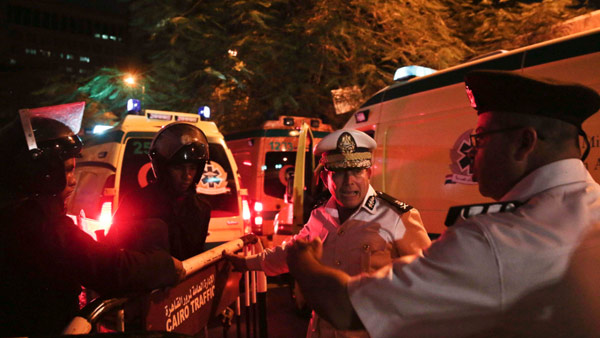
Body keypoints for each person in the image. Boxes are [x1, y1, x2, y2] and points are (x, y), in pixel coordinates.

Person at [285, 70, 600, 337]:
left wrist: (303, 263)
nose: (471, 155)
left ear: (524, 142)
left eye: (480, 139)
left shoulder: (494, 241)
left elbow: (345, 307)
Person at [0, 103, 186, 337]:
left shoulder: (18, 213)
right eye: (67, 170)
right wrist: (166, 265)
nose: (73, 181)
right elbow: (109, 268)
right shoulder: (38, 223)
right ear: (42, 174)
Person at [226, 128, 431, 337]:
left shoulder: (397, 217)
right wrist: (247, 263)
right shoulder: (320, 215)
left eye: (357, 171)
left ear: (368, 173)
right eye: (340, 172)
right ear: (325, 178)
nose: (349, 181)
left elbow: (428, 285)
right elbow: (292, 253)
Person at [106, 122, 211, 260]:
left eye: (192, 168)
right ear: (163, 169)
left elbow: (196, 252)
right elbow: (113, 249)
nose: (187, 175)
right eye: (179, 168)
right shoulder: (135, 202)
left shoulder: (202, 208)